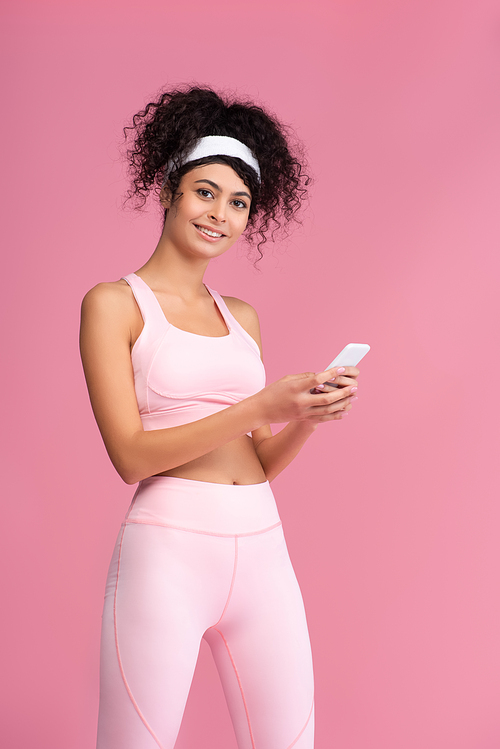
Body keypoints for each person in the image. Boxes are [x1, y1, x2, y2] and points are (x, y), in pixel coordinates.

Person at [80, 86, 360, 749]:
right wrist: (261, 403)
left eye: (239, 203)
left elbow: (257, 459)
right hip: (167, 554)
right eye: (207, 192)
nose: (221, 215)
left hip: (264, 549)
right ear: (172, 188)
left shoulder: (242, 318)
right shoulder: (114, 305)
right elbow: (130, 455)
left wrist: (305, 415)